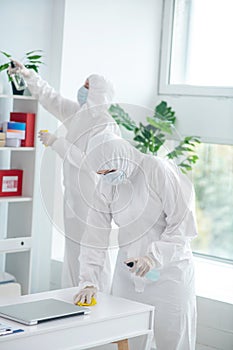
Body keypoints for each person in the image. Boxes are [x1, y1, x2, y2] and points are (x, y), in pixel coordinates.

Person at [73, 134, 198, 350]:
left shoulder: (157, 170)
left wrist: (153, 257)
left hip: (169, 275)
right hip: (129, 275)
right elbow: (95, 235)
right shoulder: (107, 185)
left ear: (121, 157)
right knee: (128, 339)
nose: (106, 178)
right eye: (101, 174)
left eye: (109, 172)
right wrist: (89, 280)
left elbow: (183, 224)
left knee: (174, 342)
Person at [8, 61, 121, 288]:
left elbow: (91, 163)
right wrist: (28, 74)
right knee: (73, 252)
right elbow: (52, 99)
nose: (82, 89)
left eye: (87, 86)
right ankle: (72, 299)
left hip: (92, 201)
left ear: (97, 93)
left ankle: (100, 301)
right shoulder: (79, 115)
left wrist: (57, 143)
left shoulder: (105, 125)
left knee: (93, 255)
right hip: (74, 199)